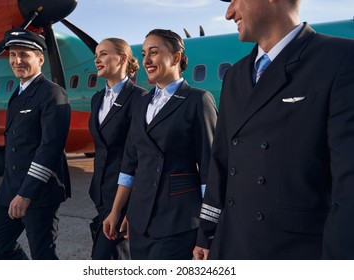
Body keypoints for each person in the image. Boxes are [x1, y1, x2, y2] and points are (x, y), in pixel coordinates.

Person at [194, 0, 354, 260]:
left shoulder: (341, 59)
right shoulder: (235, 75)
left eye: (235, 0)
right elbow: (221, 162)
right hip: (231, 247)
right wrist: (207, 233)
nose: (228, 13)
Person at [103, 29, 217, 260]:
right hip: (139, 221)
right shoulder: (142, 101)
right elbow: (129, 164)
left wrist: (208, 232)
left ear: (176, 58)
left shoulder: (197, 100)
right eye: (144, 54)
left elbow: (210, 171)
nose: (146, 60)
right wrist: (117, 211)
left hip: (178, 220)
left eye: (154, 53)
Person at [0, 28, 71, 260]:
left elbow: (50, 149)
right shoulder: (19, 93)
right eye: (13, 55)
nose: (16, 60)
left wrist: (26, 194)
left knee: (43, 256)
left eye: (24, 54)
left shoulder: (52, 93)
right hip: (9, 190)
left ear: (40, 59)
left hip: (37, 192)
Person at [88, 38, 147, 259]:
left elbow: (142, 157)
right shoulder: (97, 99)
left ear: (122, 58)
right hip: (101, 195)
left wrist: (132, 209)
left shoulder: (140, 98)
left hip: (124, 199)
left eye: (103, 54)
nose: (97, 59)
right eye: (96, 55)